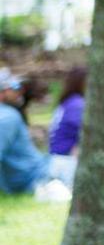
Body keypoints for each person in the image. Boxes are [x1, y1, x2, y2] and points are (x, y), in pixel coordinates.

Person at [0, 68, 74, 199]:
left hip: (40, 170)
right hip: (41, 175)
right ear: (2, 92)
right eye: (14, 86)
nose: (20, 91)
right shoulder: (7, 117)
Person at [48, 66, 86, 157]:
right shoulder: (76, 104)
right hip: (66, 159)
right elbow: (86, 131)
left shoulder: (68, 102)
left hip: (56, 157)